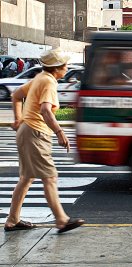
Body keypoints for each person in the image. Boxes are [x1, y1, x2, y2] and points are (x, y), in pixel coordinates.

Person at [4, 48, 84, 233]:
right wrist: (59, 132)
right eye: (65, 65)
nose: (67, 68)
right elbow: (45, 110)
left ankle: (12, 220)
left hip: (26, 131)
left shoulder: (40, 78)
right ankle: (61, 220)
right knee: (50, 177)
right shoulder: (48, 82)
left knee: (26, 178)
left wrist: (18, 120)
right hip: (35, 133)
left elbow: (16, 95)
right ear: (58, 68)